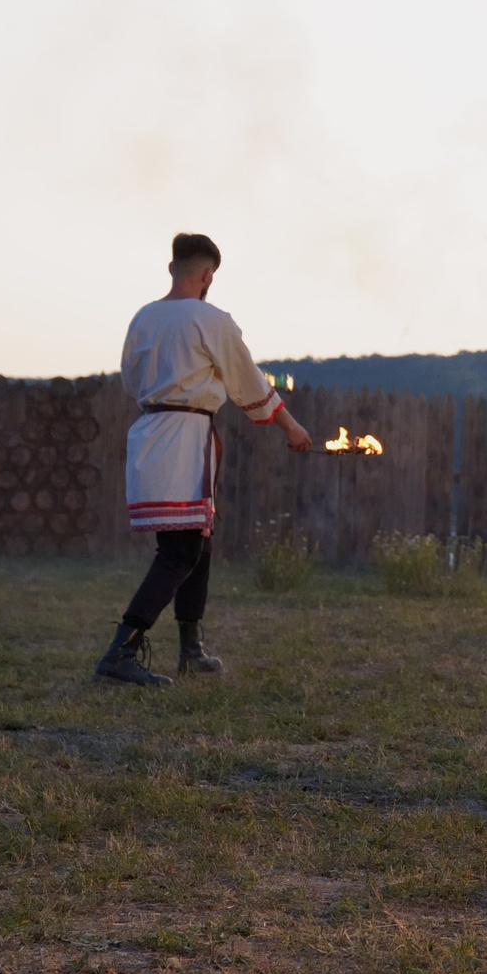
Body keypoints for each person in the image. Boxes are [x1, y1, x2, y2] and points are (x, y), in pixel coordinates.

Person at [99, 233, 311, 687]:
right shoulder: (210, 319)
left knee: (199, 541)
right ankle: (120, 651)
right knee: (181, 552)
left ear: (172, 268)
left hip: (152, 432)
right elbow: (249, 383)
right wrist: (291, 428)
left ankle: (190, 650)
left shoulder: (143, 317)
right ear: (207, 275)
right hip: (183, 439)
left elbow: (131, 381)